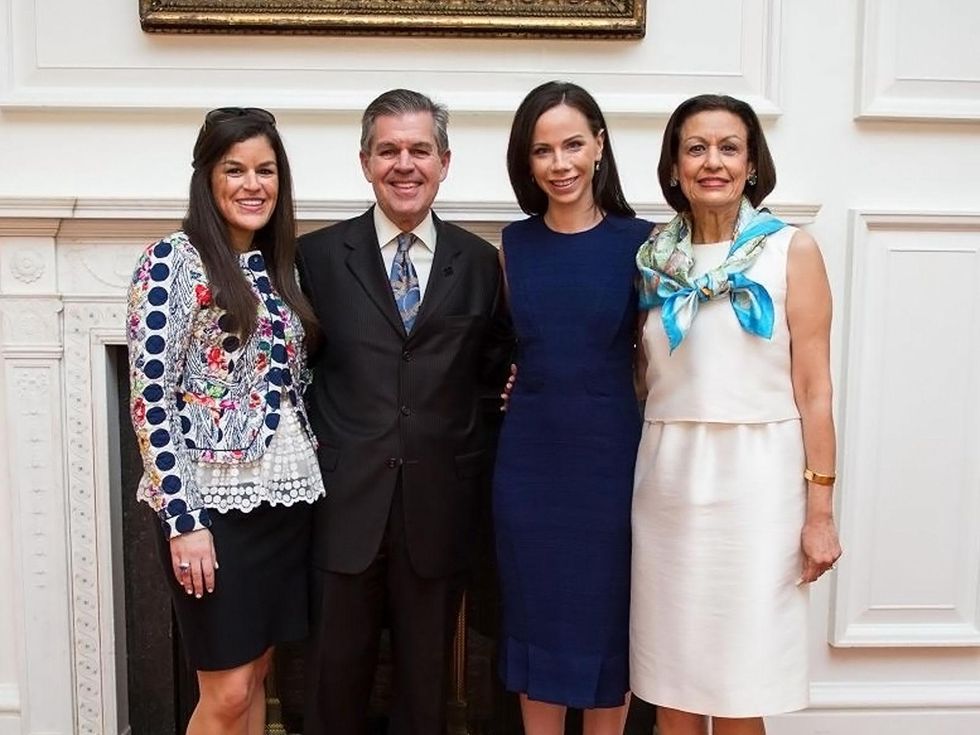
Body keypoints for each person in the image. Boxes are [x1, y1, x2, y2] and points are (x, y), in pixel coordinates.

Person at [298, 88, 514, 735]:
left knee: (427, 701)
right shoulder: (315, 258)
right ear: (364, 162)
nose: (404, 164)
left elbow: (493, 370)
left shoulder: (481, 264)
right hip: (343, 508)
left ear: (445, 161)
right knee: (333, 692)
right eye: (388, 150)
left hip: (438, 513)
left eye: (420, 149)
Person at [630, 94, 843, 735]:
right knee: (673, 678)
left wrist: (821, 513)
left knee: (739, 681)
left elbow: (815, 390)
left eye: (729, 148)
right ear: (673, 167)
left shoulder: (790, 251)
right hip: (667, 483)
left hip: (759, 485)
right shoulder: (649, 262)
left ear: (752, 164)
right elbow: (638, 377)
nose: (712, 162)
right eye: (696, 148)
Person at [126, 107, 324, 734]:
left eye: (265, 170)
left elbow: (290, 381)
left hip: (284, 503)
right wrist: (184, 523)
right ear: (207, 179)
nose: (252, 184)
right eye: (234, 169)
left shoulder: (278, 267)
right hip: (209, 509)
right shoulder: (171, 262)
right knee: (229, 691)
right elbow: (149, 397)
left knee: (257, 677)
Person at [492, 81, 653, 735]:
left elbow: (658, 356)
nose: (559, 163)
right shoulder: (512, 244)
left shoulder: (644, 242)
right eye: (542, 150)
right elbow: (512, 347)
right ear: (527, 162)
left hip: (611, 458)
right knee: (538, 619)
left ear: (599, 146)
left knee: (606, 622)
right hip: (529, 462)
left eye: (572, 145)